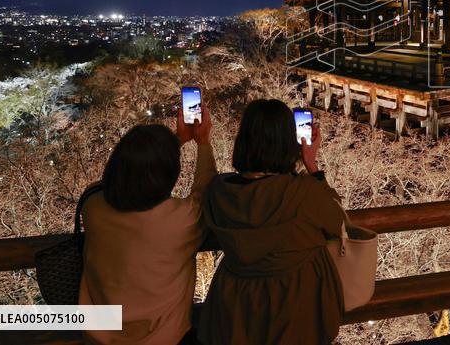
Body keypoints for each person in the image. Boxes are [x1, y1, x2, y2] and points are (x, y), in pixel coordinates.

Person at [199, 99, 345, 345]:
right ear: (288, 144)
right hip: (297, 305)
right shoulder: (303, 193)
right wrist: (311, 165)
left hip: (236, 306)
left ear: (243, 140)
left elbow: (204, 185)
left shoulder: (220, 192)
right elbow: (337, 221)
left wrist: (202, 142)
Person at [80, 110, 217, 345]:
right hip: (165, 337)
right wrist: (202, 142)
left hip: (100, 336)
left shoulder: (93, 205)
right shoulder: (180, 220)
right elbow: (206, 190)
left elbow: (127, 175)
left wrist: (176, 141)